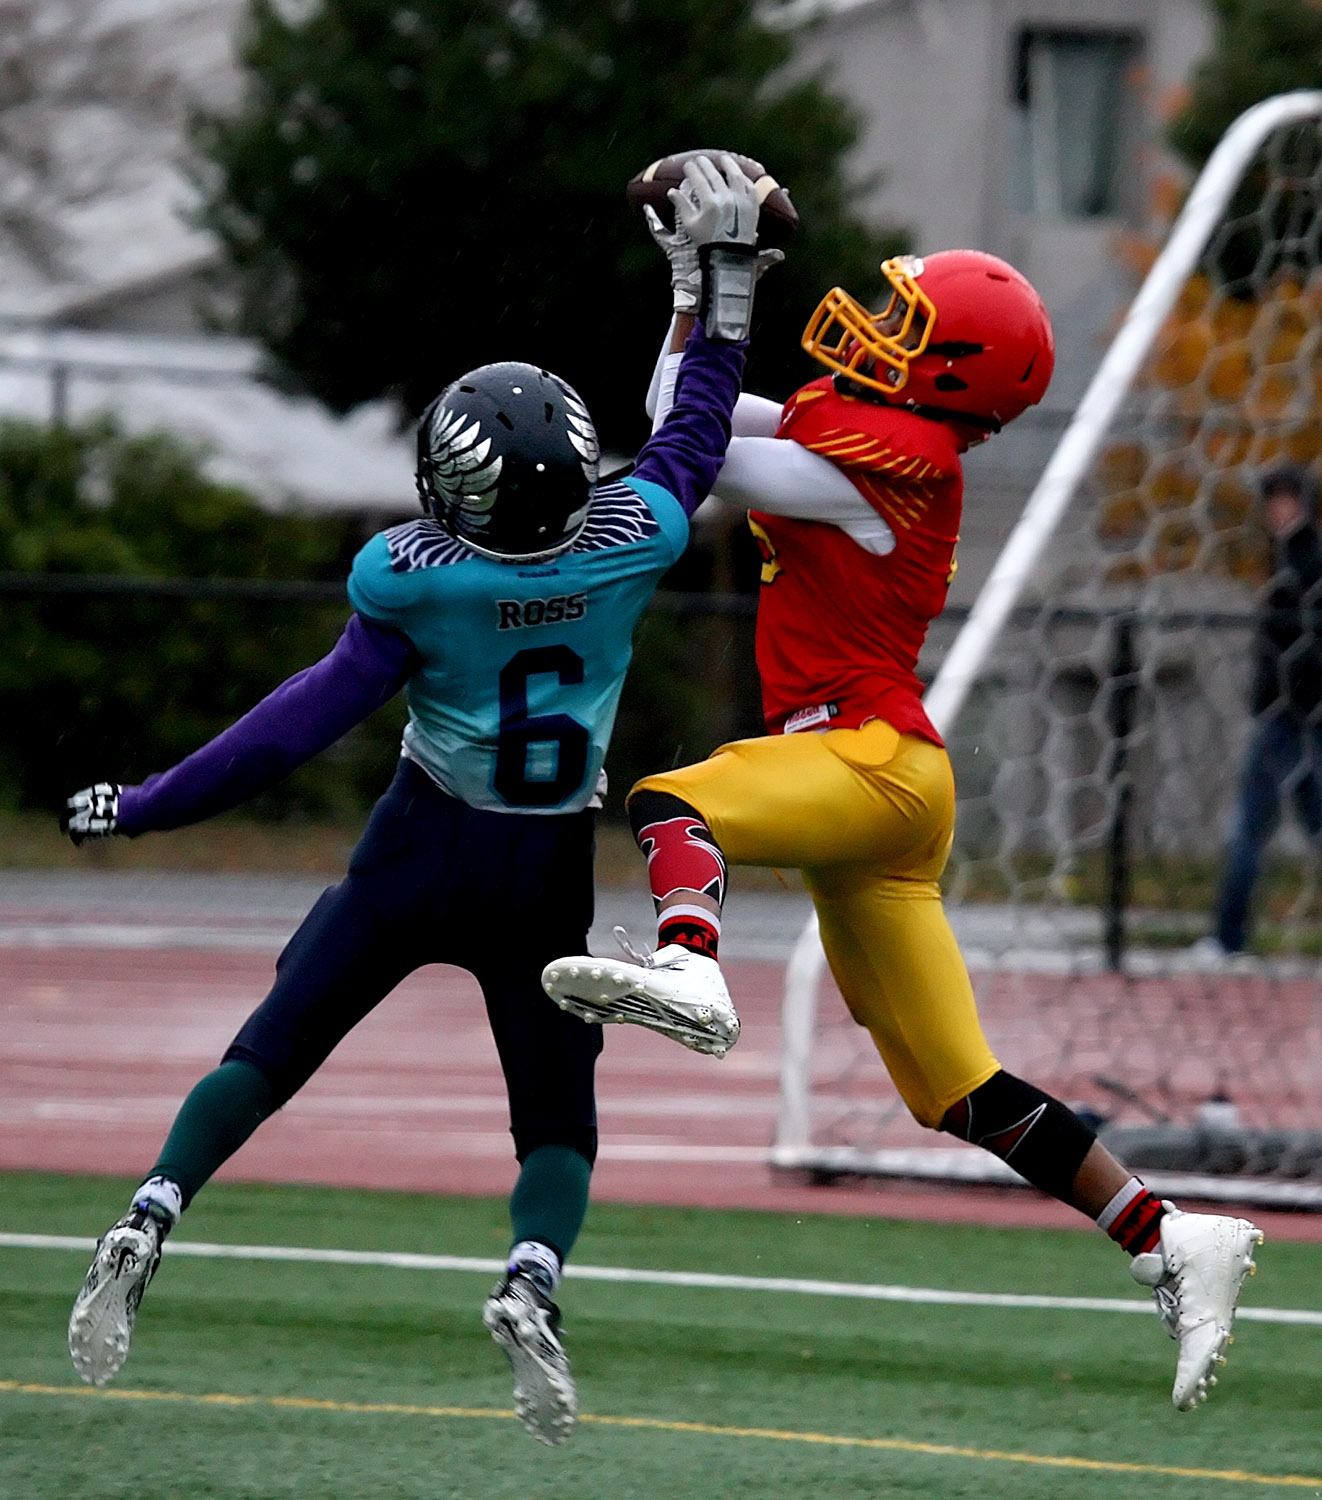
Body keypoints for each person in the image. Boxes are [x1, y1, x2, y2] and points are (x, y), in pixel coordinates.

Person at [60, 153, 768, 1447]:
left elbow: (294, 725)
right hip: (543, 866)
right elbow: (696, 430)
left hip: (418, 845)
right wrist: (715, 290)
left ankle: (157, 1203)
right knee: (555, 1119)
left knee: (271, 1047)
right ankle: (528, 1279)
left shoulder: (413, 578)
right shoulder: (638, 538)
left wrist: (148, 805)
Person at [544, 239, 1265, 1411]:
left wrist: (724, 295)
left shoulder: (888, 463)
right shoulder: (874, 433)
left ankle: (688, 965)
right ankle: (1169, 1238)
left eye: (907, 319)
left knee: (675, 799)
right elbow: (678, 415)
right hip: (887, 789)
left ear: (950, 371)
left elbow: (701, 454)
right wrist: (694, 293)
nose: (879, 324)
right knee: (956, 1090)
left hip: (864, 759)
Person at [1191, 463, 1322, 960]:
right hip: (1288, 720)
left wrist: (1289, 696)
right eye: (1273, 499)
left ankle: (1228, 938)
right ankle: (1228, 937)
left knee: (1250, 830)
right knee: (1263, 827)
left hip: (1295, 721)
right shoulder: (1286, 557)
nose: (1277, 509)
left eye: (1286, 498)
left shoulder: (1306, 562)